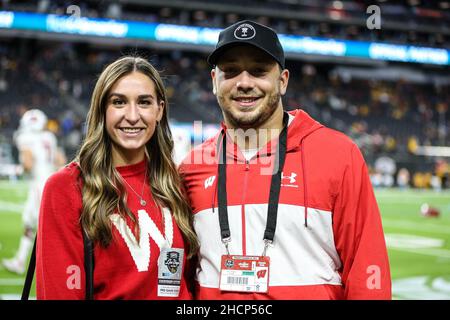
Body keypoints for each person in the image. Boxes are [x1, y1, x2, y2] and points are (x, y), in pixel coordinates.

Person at [179, 20, 391, 299]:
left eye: (258, 71)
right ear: (214, 82)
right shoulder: (191, 167)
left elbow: (366, 266)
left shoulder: (339, 154)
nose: (244, 83)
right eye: (230, 71)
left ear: (282, 81)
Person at [36, 56, 198, 299]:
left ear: (159, 110)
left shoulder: (177, 183)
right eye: (119, 102)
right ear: (102, 109)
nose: (132, 116)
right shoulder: (67, 187)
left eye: (144, 102)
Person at [2, 109, 65, 274]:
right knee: (29, 223)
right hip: (52, 183)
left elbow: (28, 163)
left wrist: (20, 168)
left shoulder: (26, 138)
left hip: (39, 186)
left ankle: (60, 264)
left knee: (47, 228)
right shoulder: (49, 138)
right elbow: (61, 161)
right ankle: (20, 260)